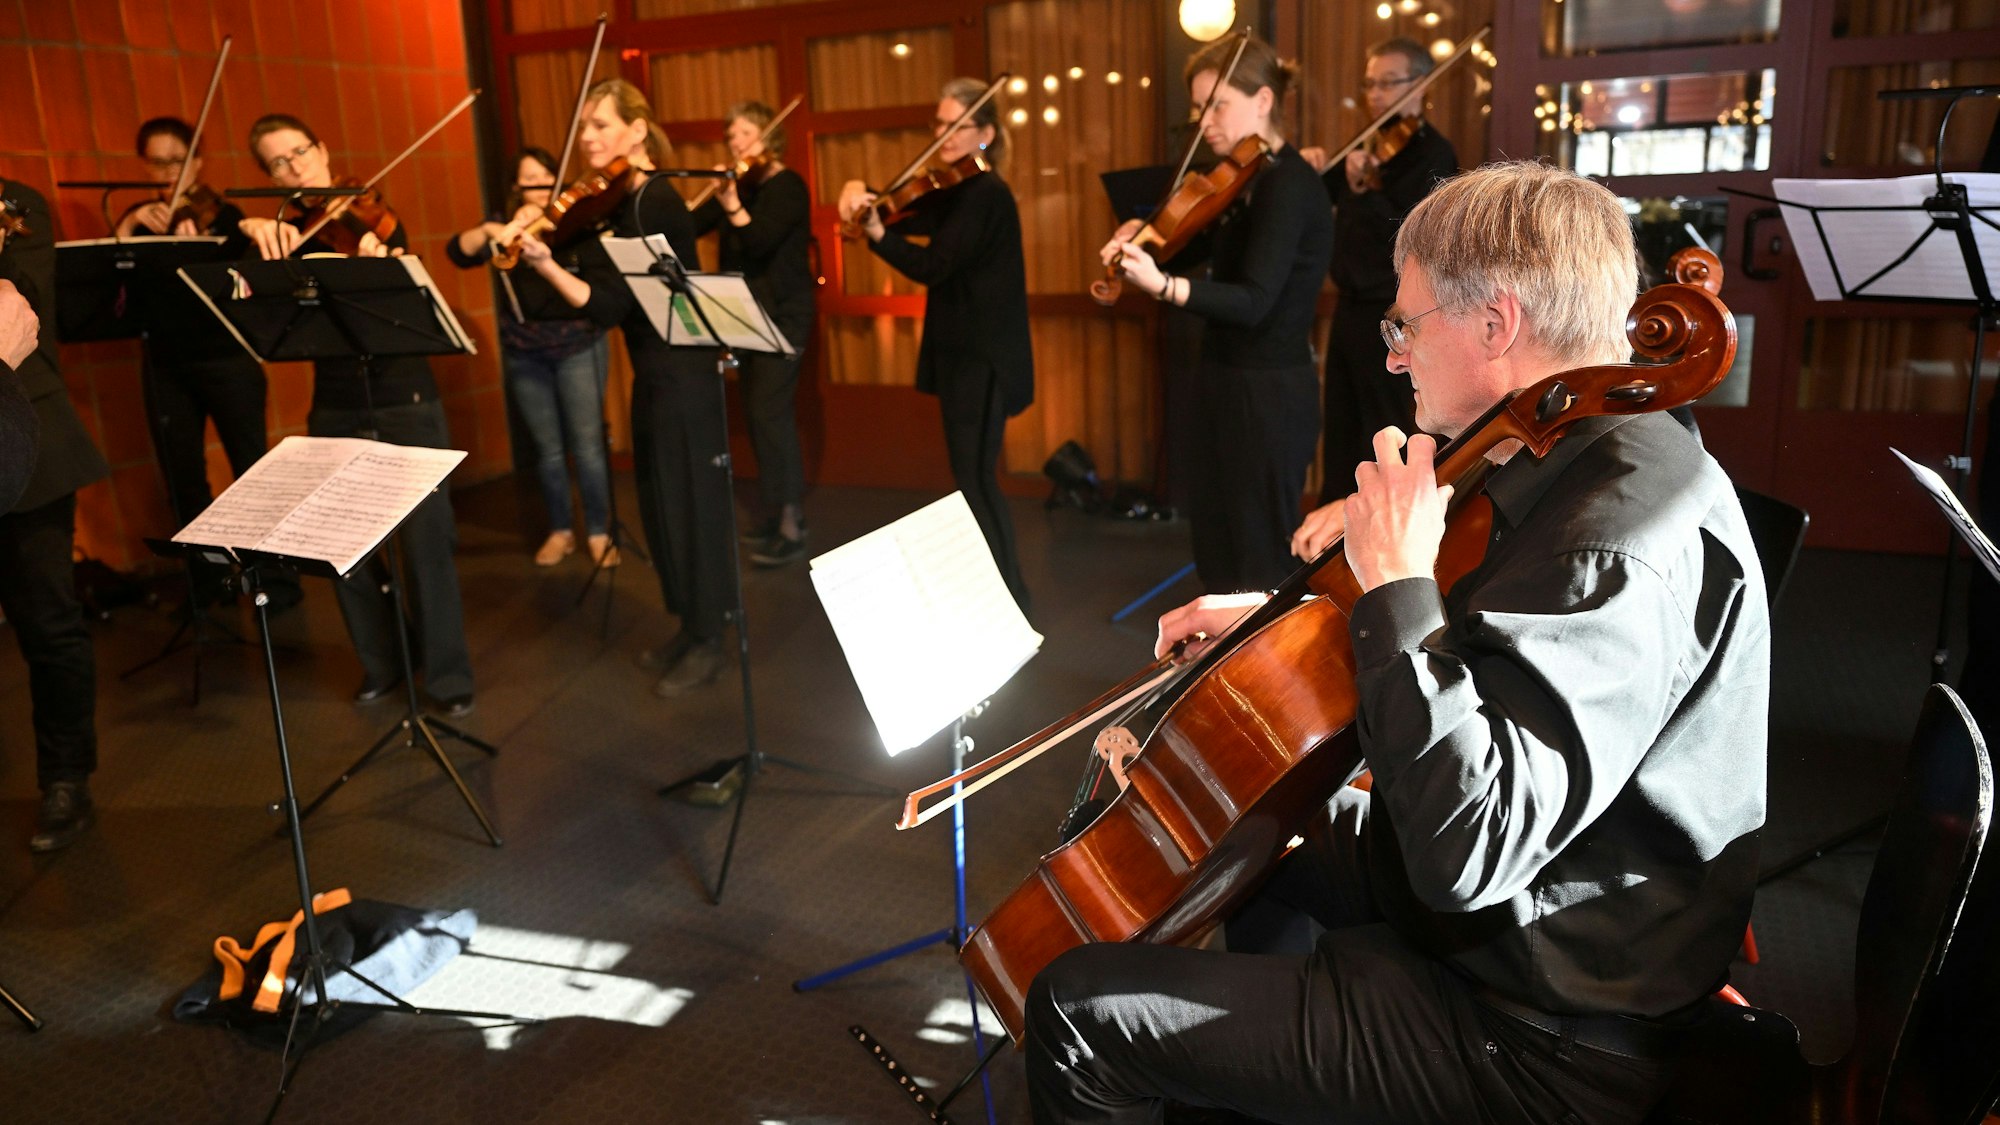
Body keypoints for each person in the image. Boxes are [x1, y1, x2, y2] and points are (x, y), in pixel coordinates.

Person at [1026, 162, 1770, 1125]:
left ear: (1497, 324)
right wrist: (1281, 623)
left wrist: (1394, 584)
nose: (1393, 357)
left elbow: (1467, 845)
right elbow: (1498, 637)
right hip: (1519, 920)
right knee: (1249, 819)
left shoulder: (1614, 535)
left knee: (1079, 1012)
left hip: (1536, 1028)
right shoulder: (1589, 449)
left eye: (1405, 325)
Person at [239, 113, 477, 718]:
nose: (295, 169)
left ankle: (448, 678)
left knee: (427, 544)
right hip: (336, 399)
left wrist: (380, 261)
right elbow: (242, 280)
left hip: (405, 396)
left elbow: (397, 260)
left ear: (322, 147)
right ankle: (383, 662)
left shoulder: (367, 213)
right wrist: (253, 236)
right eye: (277, 164)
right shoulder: (283, 234)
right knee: (343, 546)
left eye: (300, 153)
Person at [505, 79, 729, 696]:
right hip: (654, 375)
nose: (589, 137)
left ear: (637, 130)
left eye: (602, 125)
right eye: (586, 127)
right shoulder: (614, 202)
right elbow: (592, 279)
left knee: (689, 509)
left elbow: (604, 305)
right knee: (660, 509)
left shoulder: (653, 200)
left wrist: (548, 261)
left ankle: (710, 639)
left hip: (686, 375)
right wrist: (539, 238)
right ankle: (688, 624)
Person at [1099, 34, 1334, 596]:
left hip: (1266, 395)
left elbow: (1254, 301)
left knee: (1258, 561)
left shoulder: (1288, 184)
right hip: (1225, 383)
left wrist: (1164, 286)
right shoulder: (1245, 181)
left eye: (1216, 104)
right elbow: (1191, 248)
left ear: (1263, 102)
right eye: (1197, 108)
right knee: (1218, 546)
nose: (1203, 121)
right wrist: (1144, 240)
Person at [837, 78, 1034, 611]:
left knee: (977, 478)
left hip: (984, 358)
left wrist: (877, 235)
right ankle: (993, 587)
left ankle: (1010, 596)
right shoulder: (951, 191)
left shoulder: (986, 194)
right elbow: (896, 209)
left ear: (985, 134)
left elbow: (933, 265)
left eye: (956, 125)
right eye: (938, 124)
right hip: (961, 353)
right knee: (967, 476)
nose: (943, 135)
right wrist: (862, 193)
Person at [114, 116, 301, 610]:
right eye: (157, 162)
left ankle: (277, 583)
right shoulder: (136, 216)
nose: (167, 172)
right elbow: (115, 292)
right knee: (183, 479)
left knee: (253, 471)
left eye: (177, 161)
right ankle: (207, 586)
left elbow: (245, 283)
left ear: (196, 162)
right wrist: (129, 229)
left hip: (226, 359)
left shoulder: (225, 214)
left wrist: (208, 243)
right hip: (164, 363)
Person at [0, 181, 111, 852]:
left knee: (48, 621)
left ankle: (66, 778)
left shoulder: (18, 210)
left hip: (30, 448)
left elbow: (29, 312)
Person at [1302, 37, 1459, 502]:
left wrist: (1367, 188)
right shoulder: (1370, 146)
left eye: (1388, 83)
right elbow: (1321, 196)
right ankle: (1334, 534)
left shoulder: (1434, 154)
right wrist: (1310, 166)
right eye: (1370, 84)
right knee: (1343, 432)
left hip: (1395, 314)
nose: (1375, 94)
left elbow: (1408, 234)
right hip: (1349, 309)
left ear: (1419, 87)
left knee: (1386, 430)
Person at [446, 146, 616, 570]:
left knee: (589, 446)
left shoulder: (576, 226)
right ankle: (561, 531)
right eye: (529, 180)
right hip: (525, 351)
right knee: (548, 450)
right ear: (516, 187)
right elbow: (457, 252)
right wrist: (491, 230)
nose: (539, 188)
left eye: (546, 178)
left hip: (578, 345)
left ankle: (599, 530)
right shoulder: (507, 231)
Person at [690, 100, 814, 567]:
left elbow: (761, 241)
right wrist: (708, 197)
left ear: (769, 138)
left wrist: (733, 204)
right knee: (759, 416)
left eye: (745, 133)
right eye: (732, 135)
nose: (736, 142)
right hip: (743, 314)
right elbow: (691, 224)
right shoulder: (735, 187)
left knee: (769, 416)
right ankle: (777, 511)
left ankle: (792, 522)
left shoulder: (787, 186)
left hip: (784, 314)